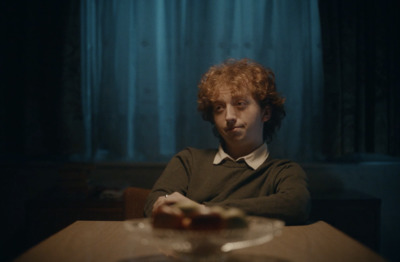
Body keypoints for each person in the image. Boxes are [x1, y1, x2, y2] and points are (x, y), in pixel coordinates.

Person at [144, 58, 310, 225]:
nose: (229, 116)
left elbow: (296, 205)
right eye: (219, 108)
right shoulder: (189, 161)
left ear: (265, 113)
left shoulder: (283, 171)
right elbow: (154, 205)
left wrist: (203, 211)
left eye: (240, 104)